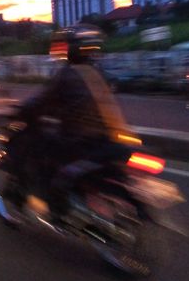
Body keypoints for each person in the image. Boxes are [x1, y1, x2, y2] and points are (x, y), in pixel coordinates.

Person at [13, 24, 141, 221]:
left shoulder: (67, 74)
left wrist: (20, 112)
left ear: (71, 49)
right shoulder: (99, 73)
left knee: (43, 150)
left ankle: (54, 206)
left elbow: (39, 102)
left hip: (81, 141)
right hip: (110, 138)